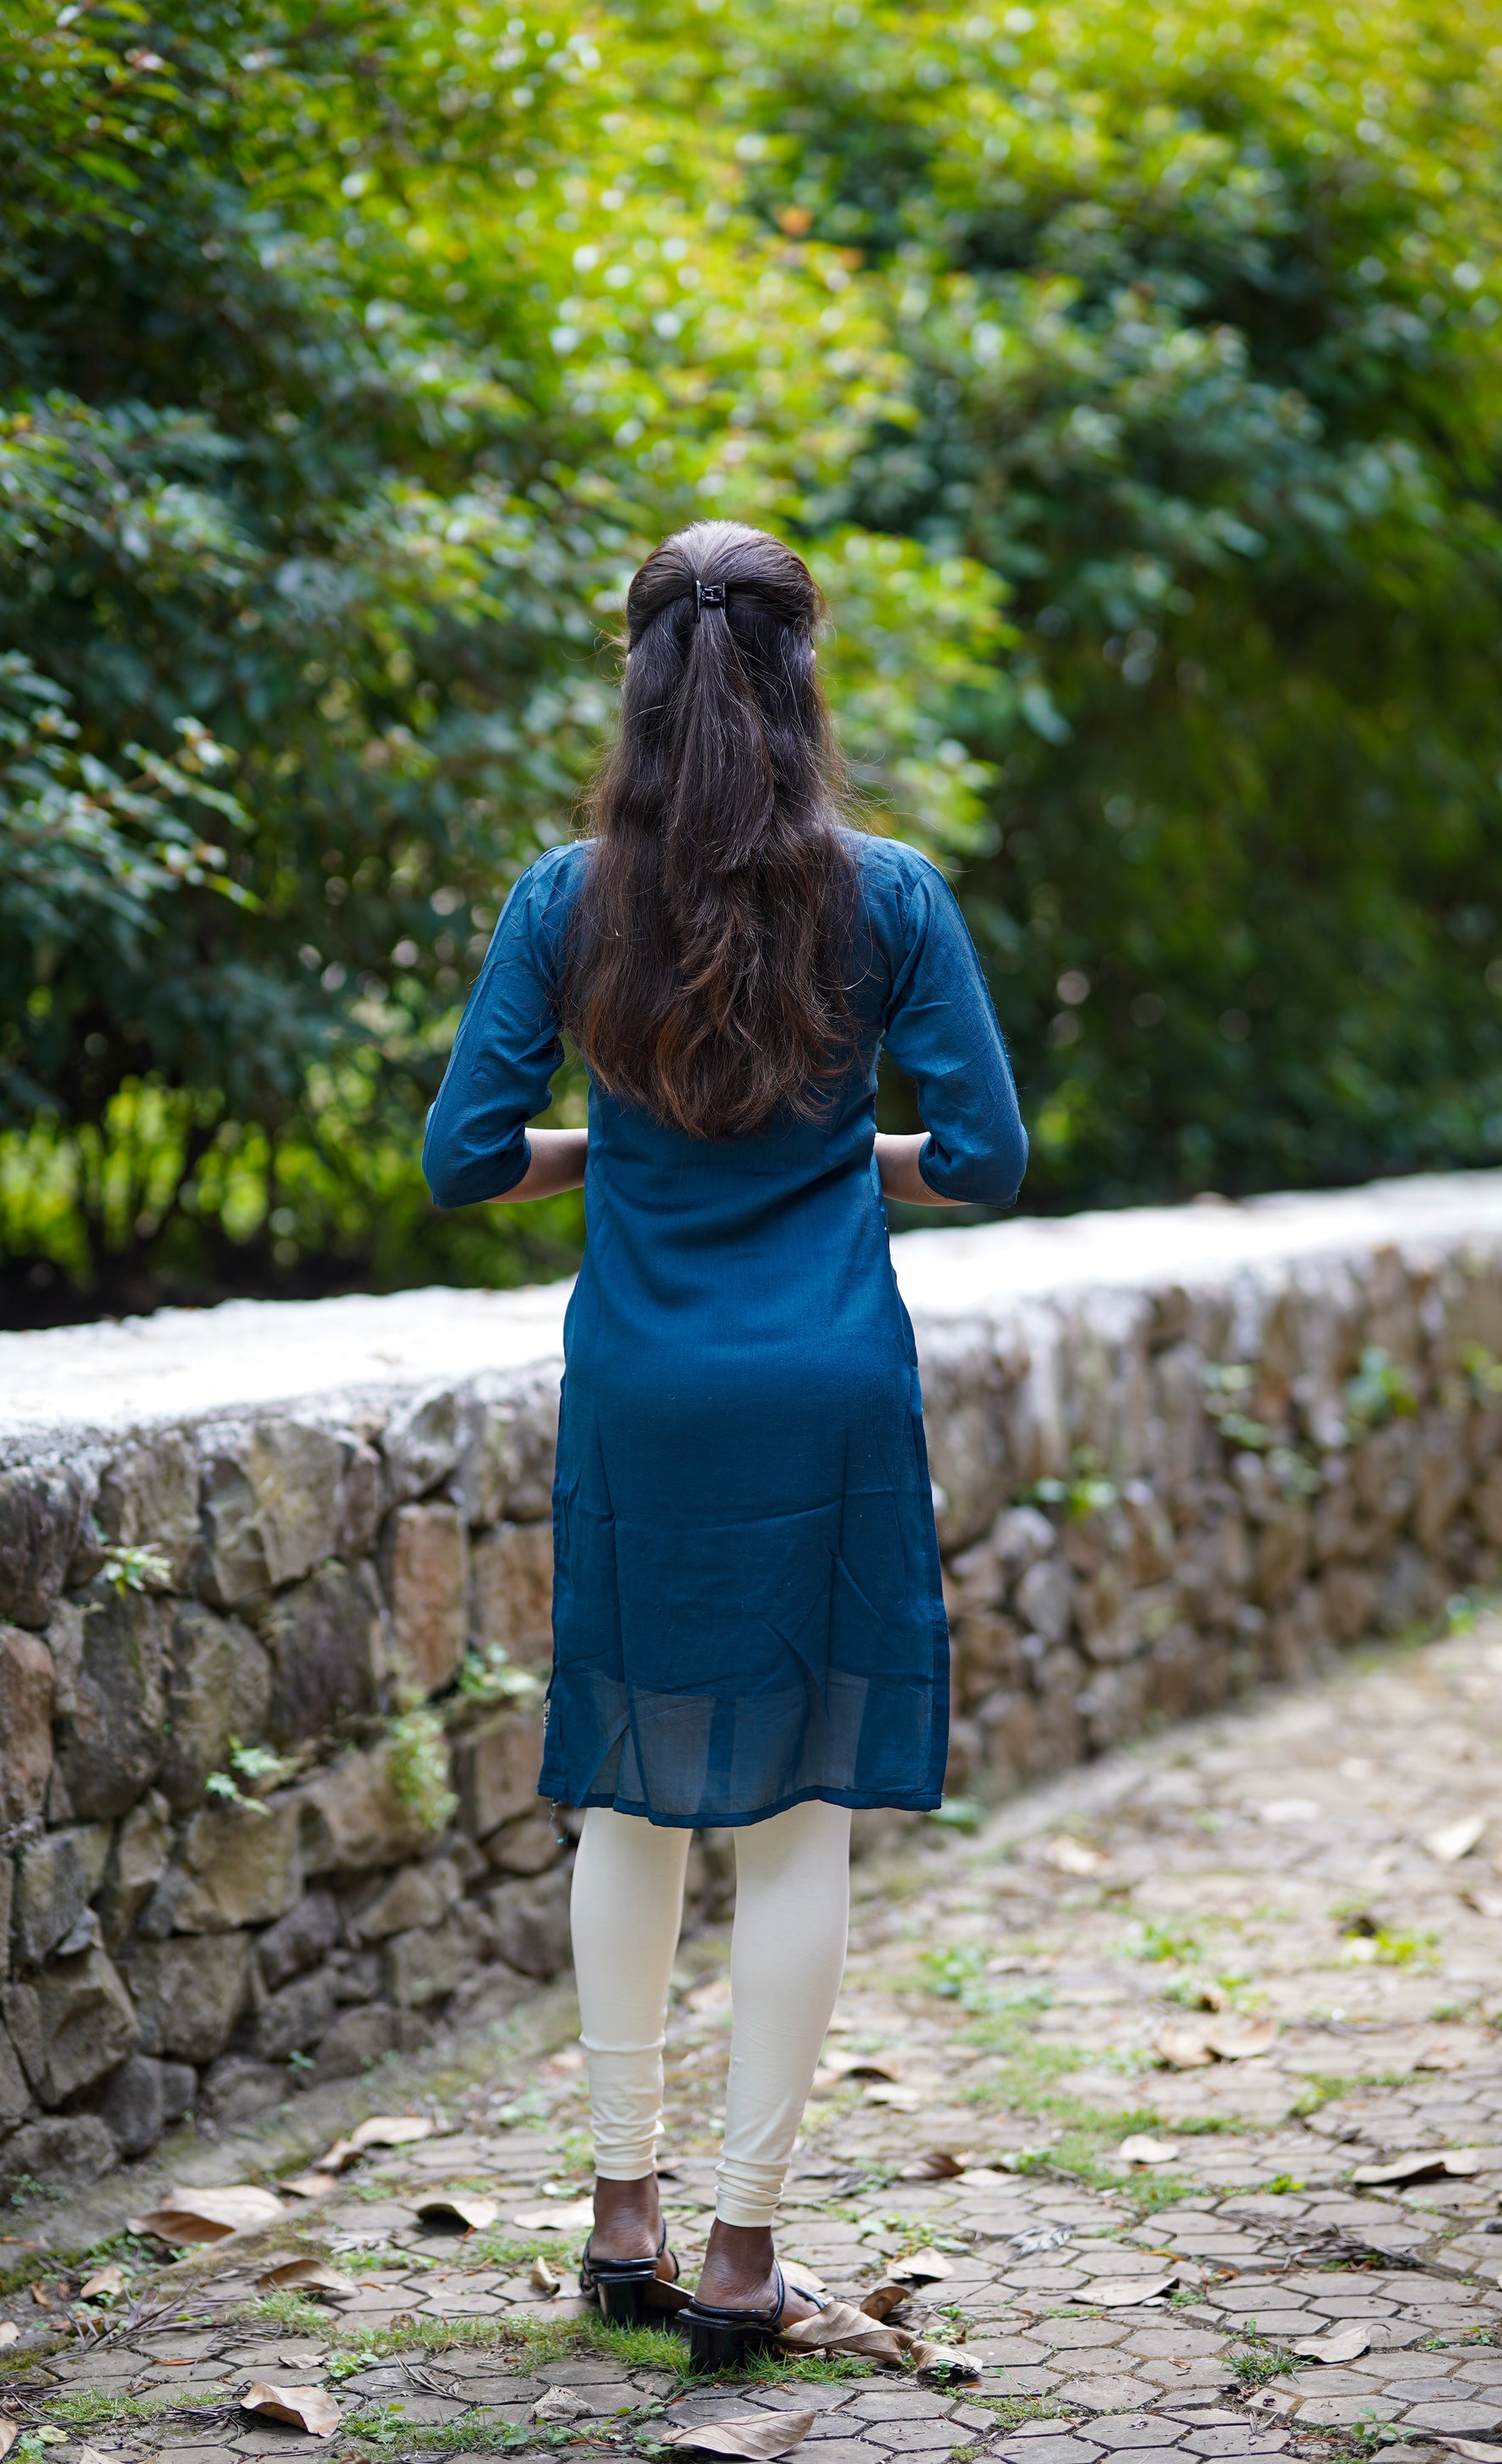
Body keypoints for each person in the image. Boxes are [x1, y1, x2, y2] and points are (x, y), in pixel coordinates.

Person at [422, 519, 1027, 2368]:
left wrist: (620, 1153)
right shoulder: (888, 895)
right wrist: (836, 1156)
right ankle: (747, 2251)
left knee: (629, 1787)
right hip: (823, 1394)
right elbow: (985, 1159)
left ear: (639, 677)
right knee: (795, 1816)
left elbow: (463, 1160)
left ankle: (623, 2215)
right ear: (798, 670)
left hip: (645, 1396)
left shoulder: (565, 899)